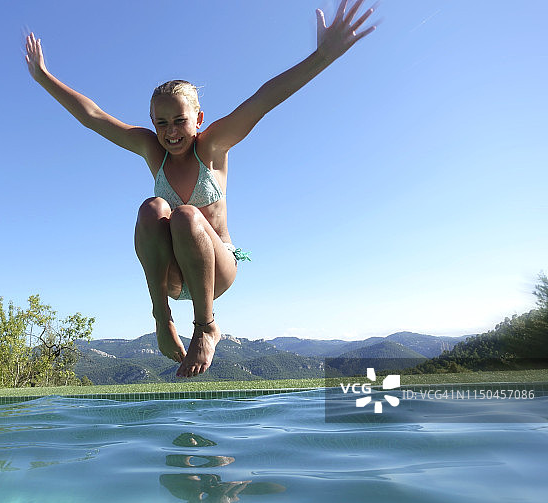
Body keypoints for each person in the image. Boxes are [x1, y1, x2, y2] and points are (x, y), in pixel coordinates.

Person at [25, 0, 377, 378]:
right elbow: (93, 117)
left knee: (187, 215)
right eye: (161, 123)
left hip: (217, 268)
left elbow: (262, 100)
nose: (171, 131)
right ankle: (162, 317)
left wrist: (321, 57)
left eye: (180, 120)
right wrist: (45, 77)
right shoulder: (151, 149)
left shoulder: (211, 146)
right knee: (151, 208)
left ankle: (206, 326)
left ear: (199, 119)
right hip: (174, 277)